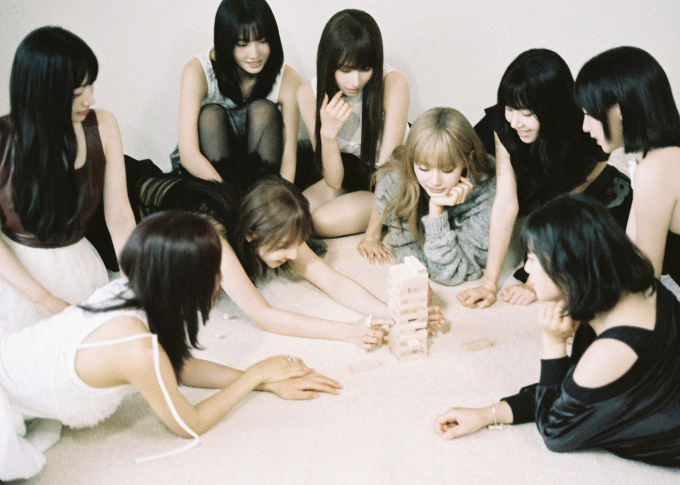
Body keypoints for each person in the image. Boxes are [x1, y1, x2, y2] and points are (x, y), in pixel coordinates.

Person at [0, 211, 342, 481]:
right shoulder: (135, 348)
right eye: (216, 269)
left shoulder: (134, 289)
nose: (221, 279)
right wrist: (255, 374)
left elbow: (179, 366)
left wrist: (266, 382)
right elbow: (188, 423)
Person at [435, 195, 680, 467]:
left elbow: (556, 431)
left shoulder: (612, 349)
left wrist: (553, 345)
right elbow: (574, 389)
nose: (527, 268)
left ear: (569, 266)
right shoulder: (641, 288)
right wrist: (487, 414)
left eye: (532, 259)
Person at [127, 171, 445, 348]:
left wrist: (394, 312)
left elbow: (331, 280)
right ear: (250, 234)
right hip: (145, 197)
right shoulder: (216, 240)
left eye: (296, 245)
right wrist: (346, 331)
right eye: (283, 248)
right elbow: (263, 315)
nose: (293, 255)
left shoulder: (274, 224)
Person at [457, 49, 631, 309]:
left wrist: (534, 283)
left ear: (552, 109)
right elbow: (505, 201)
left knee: (597, 264)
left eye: (527, 114)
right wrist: (488, 284)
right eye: (509, 109)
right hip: (537, 177)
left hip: (586, 192)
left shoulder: (589, 132)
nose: (515, 122)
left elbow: (559, 210)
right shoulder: (507, 125)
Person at [0, 26, 136, 332]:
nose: (90, 98)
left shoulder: (103, 125)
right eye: (77, 93)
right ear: (42, 92)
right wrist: (45, 300)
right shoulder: (3, 138)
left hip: (79, 265)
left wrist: (132, 282)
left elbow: (119, 216)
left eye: (90, 86)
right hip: (17, 279)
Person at [297, 9, 410, 238]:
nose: (355, 81)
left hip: (391, 180)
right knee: (295, 215)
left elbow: (388, 170)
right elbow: (333, 181)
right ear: (329, 63)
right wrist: (328, 135)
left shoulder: (393, 84)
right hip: (349, 177)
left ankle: (401, 214)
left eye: (365, 69)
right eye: (345, 70)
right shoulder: (308, 94)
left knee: (320, 222)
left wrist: (372, 235)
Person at [575, 46, 680, 290]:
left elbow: (645, 280)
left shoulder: (657, 168)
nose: (585, 127)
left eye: (589, 114)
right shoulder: (651, 160)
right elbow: (633, 253)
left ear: (620, 110)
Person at [170, 0, 301, 187]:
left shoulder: (288, 78)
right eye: (242, 44)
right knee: (210, 115)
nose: (254, 53)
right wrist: (228, 196)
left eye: (263, 41)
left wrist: (279, 195)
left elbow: (289, 158)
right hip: (210, 174)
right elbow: (188, 154)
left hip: (262, 171)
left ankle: (261, 194)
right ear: (226, 43)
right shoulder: (198, 70)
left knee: (263, 110)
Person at [373, 107, 496, 285]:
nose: (435, 181)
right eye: (424, 168)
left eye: (447, 170)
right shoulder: (394, 179)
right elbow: (408, 251)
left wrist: (436, 212)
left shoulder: (488, 187)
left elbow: (448, 273)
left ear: (467, 159)